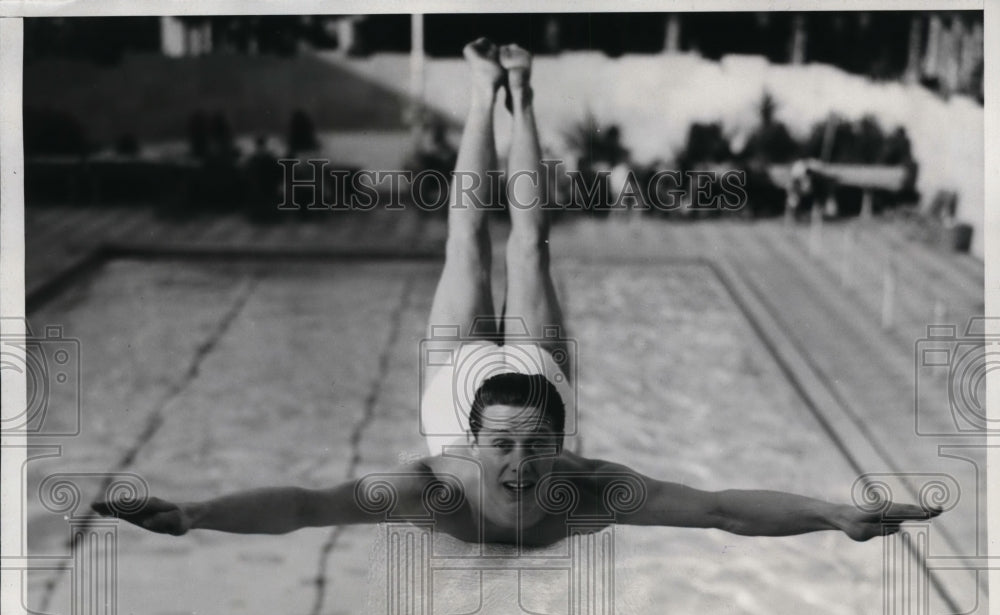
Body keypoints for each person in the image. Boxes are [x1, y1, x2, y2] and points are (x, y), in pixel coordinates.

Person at [93, 40, 938, 546]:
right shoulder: (438, 481)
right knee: (474, 236)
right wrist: (198, 514)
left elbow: (721, 508)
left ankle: (520, 93)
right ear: (474, 443)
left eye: (536, 449)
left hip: (518, 383)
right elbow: (310, 506)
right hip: (484, 385)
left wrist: (832, 516)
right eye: (504, 448)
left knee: (522, 237)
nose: (522, 466)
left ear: (562, 443)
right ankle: (479, 92)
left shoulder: (587, 480)